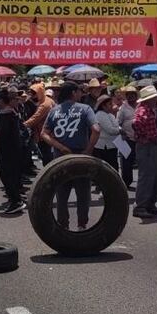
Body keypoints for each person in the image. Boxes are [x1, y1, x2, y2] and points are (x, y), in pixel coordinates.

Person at [41, 82, 100, 229]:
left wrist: (61, 147)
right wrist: (88, 149)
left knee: (62, 195)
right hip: (81, 157)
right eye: (80, 91)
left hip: (61, 158)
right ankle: (82, 225)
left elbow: (44, 134)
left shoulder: (54, 111)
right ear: (73, 93)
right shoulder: (85, 109)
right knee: (83, 194)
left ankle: (63, 226)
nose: (82, 93)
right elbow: (96, 130)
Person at [132, 86, 157, 218]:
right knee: (146, 176)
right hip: (146, 146)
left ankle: (148, 204)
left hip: (149, 144)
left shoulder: (148, 109)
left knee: (151, 175)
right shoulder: (143, 109)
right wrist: (145, 137)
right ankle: (141, 206)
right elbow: (136, 123)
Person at [0, 90, 26, 214]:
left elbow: (5, 137)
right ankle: (15, 199)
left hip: (9, 152)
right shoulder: (7, 113)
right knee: (10, 176)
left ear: (1, 101)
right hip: (12, 152)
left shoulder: (7, 115)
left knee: (8, 177)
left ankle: (16, 201)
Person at [24, 83, 56, 166]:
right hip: (49, 133)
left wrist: (23, 125)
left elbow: (35, 118)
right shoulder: (47, 100)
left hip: (43, 134)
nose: (32, 96)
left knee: (46, 157)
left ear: (39, 93)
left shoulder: (44, 105)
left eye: (34, 94)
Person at [92, 95, 120, 173]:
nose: (112, 106)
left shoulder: (110, 114)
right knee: (106, 168)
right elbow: (111, 130)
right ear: (103, 106)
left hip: (111, 145)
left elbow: (116, 126)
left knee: (113, 167)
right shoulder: (100, 115)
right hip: (104, 147)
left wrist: (118, 129)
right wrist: (120, 130)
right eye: (109, 104)